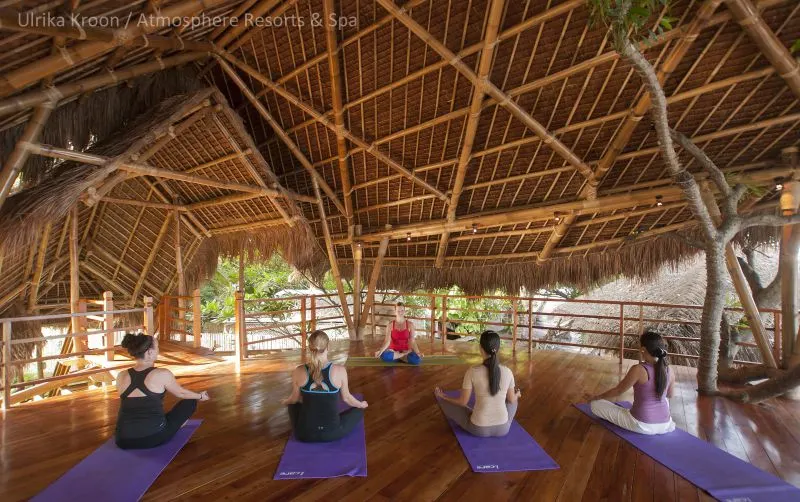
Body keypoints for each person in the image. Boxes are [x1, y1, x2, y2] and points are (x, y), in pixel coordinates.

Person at [115, 333, 210, 449]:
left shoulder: (121, 375)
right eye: (157, 347)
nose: (159, 350)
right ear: (149, 352)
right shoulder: (162, 373)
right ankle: (173, 425)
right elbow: (181, 393)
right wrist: (200, 396)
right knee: (190, 401)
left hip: (122, 440)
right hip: (153, 437)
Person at [584, 330, 676, 435]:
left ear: (643, 349)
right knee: (664, 398)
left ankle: (640, 415)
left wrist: (596, 397)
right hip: (665, 424)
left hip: (642, 425)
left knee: (595, 405)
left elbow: (618, 391)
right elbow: (670, 395)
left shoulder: (638, 369)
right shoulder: (670, 370)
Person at [282, 330, 368, 442]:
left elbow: (294, 399)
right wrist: (361, 404)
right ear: (328, 347)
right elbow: (347, 398)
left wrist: (285, 401)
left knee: (292, 405)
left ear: (310, 348)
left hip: (304, 434)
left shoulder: (299, 371)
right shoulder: (340, 370)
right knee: (359, 410)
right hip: (332, 433)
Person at [434, 330, 521, 437]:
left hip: (478, 429)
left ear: (480, 348)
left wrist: (444, 396)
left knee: (446, 403)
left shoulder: (472, 372)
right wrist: (518, 394)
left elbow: (462, 402)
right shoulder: (508, 371)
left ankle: (470, 412)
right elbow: (512, 400)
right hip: (503, 429)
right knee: (513, 401)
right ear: (498, 349)